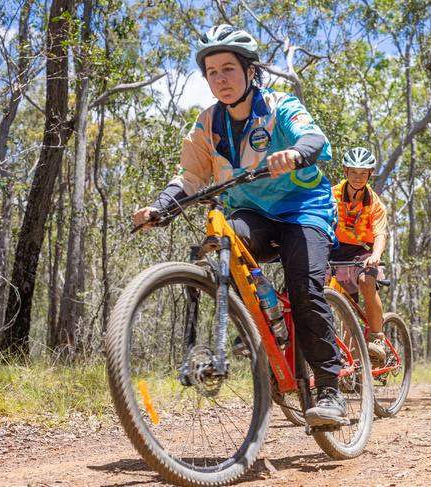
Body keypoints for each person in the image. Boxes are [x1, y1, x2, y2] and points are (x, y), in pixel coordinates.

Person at [133, 25, 347, 428]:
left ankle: (330, 388)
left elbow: (313, 138)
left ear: (251, 72)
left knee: (304, 288)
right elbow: (190, 178)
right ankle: (247, 340)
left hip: (304, 210)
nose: (220, 79)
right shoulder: (206, 124)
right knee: (216, 248)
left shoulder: (280, 106)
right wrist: (158, 208)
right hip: (252, 215)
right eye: (212, 72)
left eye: (229, 68)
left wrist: (296, 153)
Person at [330, 147, 388, 367]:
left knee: (366, 281)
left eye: (363, 173)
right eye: (353, 172)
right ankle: (346, 358)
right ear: (345, 171)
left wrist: (375, 255)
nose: (358, 178)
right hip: (334, 249)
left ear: (370, 174)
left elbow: (380, 234)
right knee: (335, 298)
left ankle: (377, 337)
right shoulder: (332, 194)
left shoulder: (375, 203)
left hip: (362, 251)